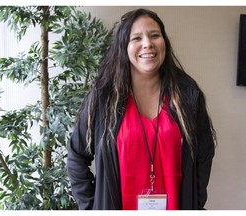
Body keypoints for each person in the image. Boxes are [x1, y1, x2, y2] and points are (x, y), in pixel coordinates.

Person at [67, 8, 216, 210]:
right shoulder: (104, 99)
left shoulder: (187, 97)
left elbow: (204, 154)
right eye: (136, 38)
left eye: (154, 35)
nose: (148, 43)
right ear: (123, 47)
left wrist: (195, 204)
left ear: (164, 42)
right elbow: (77, 155)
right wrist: (92, 207)